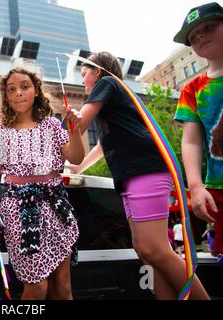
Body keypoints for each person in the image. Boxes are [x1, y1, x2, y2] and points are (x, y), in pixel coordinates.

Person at [67, 51, 209, 299]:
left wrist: (50, 136)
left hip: (145, 169)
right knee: (145, 250)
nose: (82, 81)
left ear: (97, 72)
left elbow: (79, 125)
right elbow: (102, 144)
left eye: (84, 74)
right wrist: (79, 168)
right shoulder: (113, 103)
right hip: (132, 175)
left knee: (156, 250)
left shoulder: (107, 83)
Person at [0, 67, 85, 300]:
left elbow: (76, 158)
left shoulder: (51, 125)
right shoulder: (1, 131)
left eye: (25, 86)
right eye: (12, 89)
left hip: (56, 207)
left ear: (36, 91)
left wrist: (75, 130)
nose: (18, 93)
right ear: (6, 96)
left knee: (63, 287)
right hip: (19, 210)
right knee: (37, 286)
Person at [173, 2, 223, 259]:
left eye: (209, 26)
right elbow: (191, 141)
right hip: (219, 188)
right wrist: (194, 185)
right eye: (193, 37)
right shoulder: (192, 90)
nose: (200, 35)